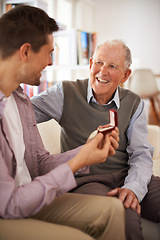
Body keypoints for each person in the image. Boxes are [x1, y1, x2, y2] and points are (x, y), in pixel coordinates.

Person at [0, 5, 126, 240]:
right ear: (26, 52)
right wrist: (77, 162)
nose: (50, 62)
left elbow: (39, 163)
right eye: (49, 53)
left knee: (111, 210)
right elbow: (9, 205)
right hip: (8, 209)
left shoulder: (20, 101)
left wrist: (86, 151)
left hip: (30, 195)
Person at [32, 39, 160, 240]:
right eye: (99, 63)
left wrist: (133, 188)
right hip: (86, 181)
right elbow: (21, 112)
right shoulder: (64, 93)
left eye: (112, 66)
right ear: (91, 63)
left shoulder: (134, 103)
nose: (103, 71)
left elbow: (141, 154)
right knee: (124, 214)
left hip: (127, 174)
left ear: (126, 75)